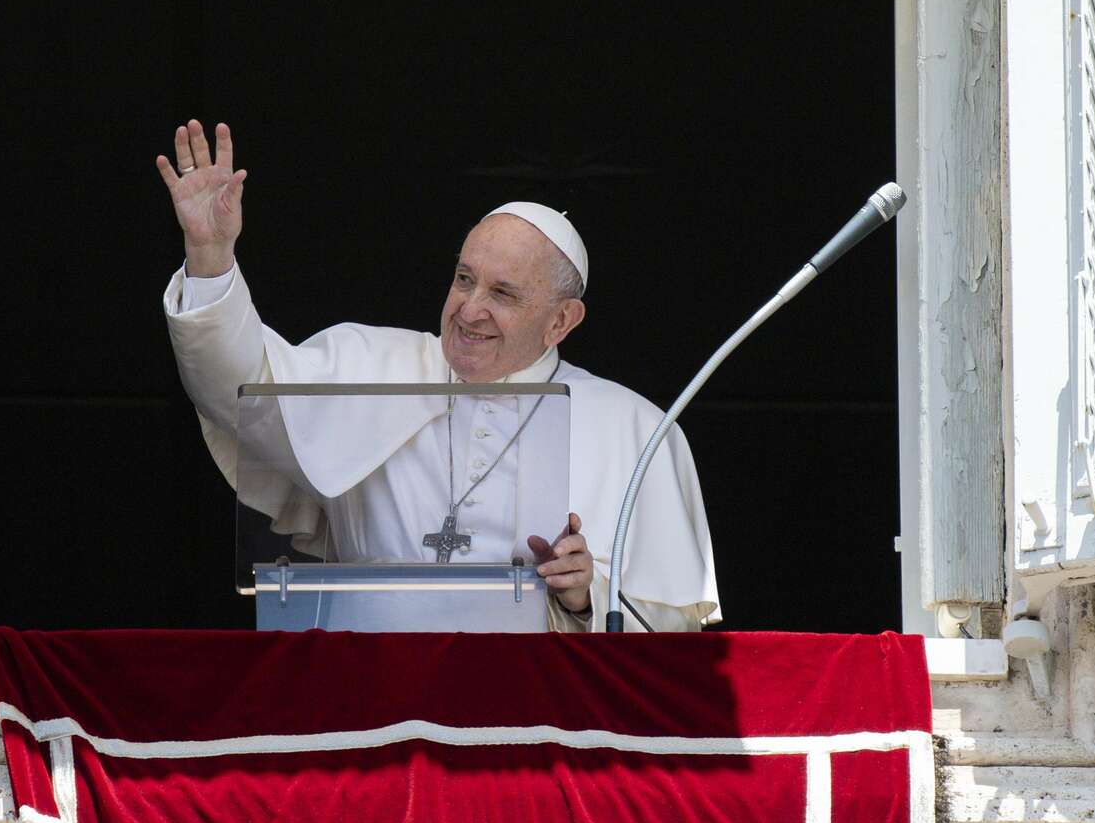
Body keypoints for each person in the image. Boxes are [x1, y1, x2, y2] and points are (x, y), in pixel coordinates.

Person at [158, 120, 718, 632]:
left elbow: (671, 637)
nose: (470, 309)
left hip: (534, 719)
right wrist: (211, 258)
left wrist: (585, 595)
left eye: (502, 294)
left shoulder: (636, 429)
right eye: (464, 279)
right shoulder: (370, 366)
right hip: (370, 701)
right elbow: (237, 393)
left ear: (561, 321)